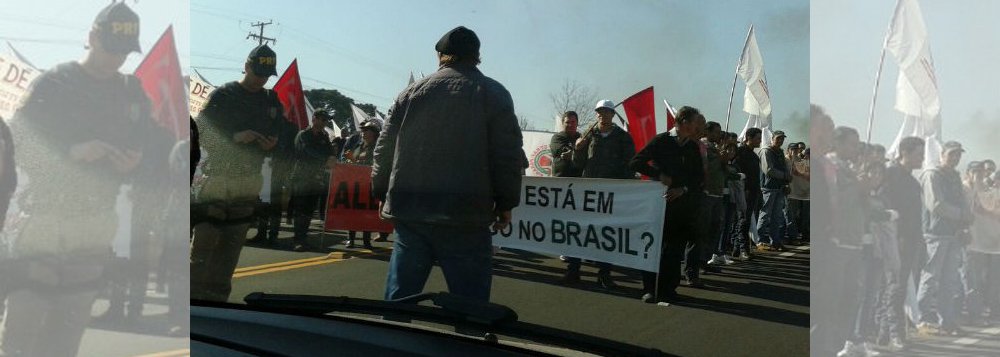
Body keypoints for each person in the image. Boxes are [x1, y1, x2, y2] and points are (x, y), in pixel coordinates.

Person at [1, 3, 150, 355]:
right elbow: (15, 143)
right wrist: (70, 152)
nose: (117, 59)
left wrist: (134, 163)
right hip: (44, 220)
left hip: (95, 224)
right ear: (92, 37)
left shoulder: (133, 93)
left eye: (124, 52)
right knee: (25, 325)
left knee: (67, 330)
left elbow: (149, 151)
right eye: (111, 48)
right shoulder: (54, 83)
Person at [373, 26, 523, 303]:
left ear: (441, 56)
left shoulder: (410, 93)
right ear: (477, 57)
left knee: (399, 301)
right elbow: (507, 155)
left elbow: (383, 148)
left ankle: (390, 338)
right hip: (466, 213)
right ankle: (466, 341)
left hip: (411, 209)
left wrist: (380, 192)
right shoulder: (494, 93)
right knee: (470, 306)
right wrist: (506, 203)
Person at [190, 44, 283, 302]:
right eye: (257, 73)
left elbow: (283, 134)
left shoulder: (271, 100)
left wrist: (273, 143)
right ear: (246, 66)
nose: (261, 79)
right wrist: (234, 137)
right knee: (205, 244)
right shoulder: (224, 95)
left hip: (248, 179)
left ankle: (218, 301)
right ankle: (192, 302)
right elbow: (201, 132)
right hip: (219, 177)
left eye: (266, 75)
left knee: (231, 246)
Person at [630, 106, 705, 303]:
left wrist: (683, 189)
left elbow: (698, 177)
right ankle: (649, 288)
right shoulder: (661, 141)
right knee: (654, 247)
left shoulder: (692, 147)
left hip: (681, 206)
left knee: (674, 250)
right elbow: (636, 162)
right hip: (658, 203)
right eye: (695, 123)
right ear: (684, 122)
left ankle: (669, 289)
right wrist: (659, 176)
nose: (697, 127)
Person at [567, 99, 636, 289]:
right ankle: (573, 271)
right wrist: (578, 150)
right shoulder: (589, 135)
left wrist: (621, 189)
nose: (602, 115)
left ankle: (604, 274)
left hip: (610, 193)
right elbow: (578, 164)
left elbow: (629, 166)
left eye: (606, 112)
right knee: (579, 229)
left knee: (606, 233)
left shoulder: (623, 137)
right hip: (588, 190)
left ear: (613, 115)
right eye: (599, 112)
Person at [915, 141, 972, 337]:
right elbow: (936, 204)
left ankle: (946, 320)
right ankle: (921, 318)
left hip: (953, 234)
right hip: (935, 233)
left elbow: (962, 202)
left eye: (958, 155)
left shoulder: (955, 176)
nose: (955, 158)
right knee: (930, 277)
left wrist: (965, 221)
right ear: (942, 154)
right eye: (952, 154)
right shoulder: (932, 175)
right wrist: (961, 215)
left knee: (950, 280)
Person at [875, 136, 924, 350]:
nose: (922, 158)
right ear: (905, 152)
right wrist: (897, 237)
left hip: (910, 240)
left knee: (899, 288)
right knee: (893, 288)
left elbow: (915, 215)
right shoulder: (891, 174)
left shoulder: (913, 182)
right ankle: (896, 334)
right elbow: (886, 206)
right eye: (918, 153)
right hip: (893, 239)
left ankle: (884, 333)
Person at [290, 110, 334, 251]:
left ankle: (303, 238)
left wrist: (332, 157)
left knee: (309, 210)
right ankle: (298, 240)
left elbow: (331, 152)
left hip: (316, 177)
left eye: (325, 121)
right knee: (301, 209)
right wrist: (325, 158)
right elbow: (307, 151)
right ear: (314, 119)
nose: (323, 123)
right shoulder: (304, 135)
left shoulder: (324, 136)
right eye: (321, 119)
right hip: (302, 177)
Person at [343, 119, 386, 249]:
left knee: (367, 213)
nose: (363, 133)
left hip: (369, 185)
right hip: (356, 184)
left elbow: (377, 164)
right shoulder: (359, 146)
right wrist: (350, 159)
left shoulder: (378, 148)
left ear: (374, 134)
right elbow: (352, 162)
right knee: (353, 211)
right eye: (363, 131)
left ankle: (366, 240)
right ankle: (351, 238)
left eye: (367, 131)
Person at [757, 130, 791, 251]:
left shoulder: (780, 152)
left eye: (782, 139)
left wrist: (786, 182)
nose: (780, 141)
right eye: (778, 138)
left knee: (777, 216)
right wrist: (785, 176)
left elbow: (783, 168)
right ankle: (760, 240)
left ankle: (775, 241)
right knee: (765, 214)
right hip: (768, 187)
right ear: (772, 138)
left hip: (779, 187)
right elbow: (769, 170)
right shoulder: (766, 151)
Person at [734, 128, 763, 260]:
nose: (760, 141)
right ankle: (743, 249)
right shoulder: (740, 153)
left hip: (753, 191)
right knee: (743, 221)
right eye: (757, 138)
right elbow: (738, 172)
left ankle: (736, 248)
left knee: (743, 220)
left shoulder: (753, 155)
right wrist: (743, 188)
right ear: (749, 138)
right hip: (744, 191)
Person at [787, 142, 810, 245]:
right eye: (793, 149)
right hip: (791, 192)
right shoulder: (786, 160)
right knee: (791, 215)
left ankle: (799, 234)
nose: (795, 151)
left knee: (800, 215)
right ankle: (792, 236)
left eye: (796, 149)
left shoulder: (801, 161)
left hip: (802, 193)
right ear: (788, 150)